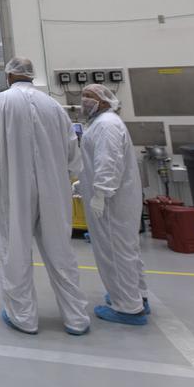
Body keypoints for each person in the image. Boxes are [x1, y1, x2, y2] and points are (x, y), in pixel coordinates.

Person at [0, 57, 89, 336]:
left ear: (8, 76)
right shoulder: (53, 105)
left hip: (14, 186)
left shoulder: (1, 103)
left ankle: (23, 317)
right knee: (61, 252)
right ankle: (76, 317)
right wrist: (64, 178)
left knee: (16, 249)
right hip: (55, 188)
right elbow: (72, 153)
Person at [79, 83, 149, 326]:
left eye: (89, 97)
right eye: (84, 96)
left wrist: (100, 194)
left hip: (111, 202)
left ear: (105, 101)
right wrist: (84, 184)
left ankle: (127, 306)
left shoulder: (106, 125)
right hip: (119, 198)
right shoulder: (105, 123)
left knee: (114, 252)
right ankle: (138, 295)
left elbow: (107, 163)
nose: (84, 101)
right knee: (127, 250)